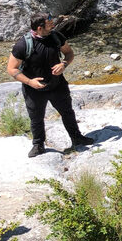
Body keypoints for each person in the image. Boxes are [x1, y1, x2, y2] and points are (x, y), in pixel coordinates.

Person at [7, 12, 94, 157]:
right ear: (40, 28)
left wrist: (64, 64)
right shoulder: (23, 44)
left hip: (57, 85)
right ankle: (38, 145)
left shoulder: (56, 36)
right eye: (49, 22)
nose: (53, 23)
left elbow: (69, 53)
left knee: (67, 112)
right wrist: (30, 82)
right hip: (34, 89)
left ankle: (76, 137)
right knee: (36, 117)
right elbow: (11, 68)